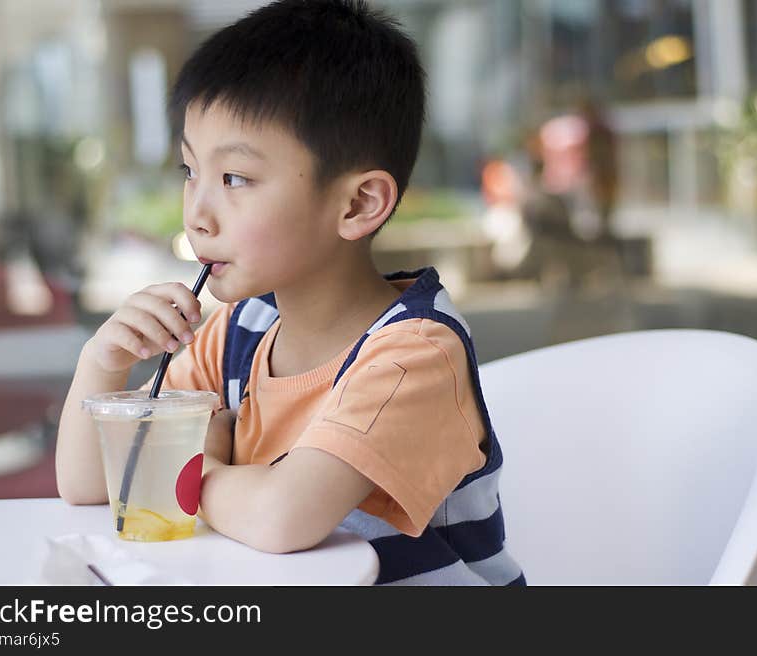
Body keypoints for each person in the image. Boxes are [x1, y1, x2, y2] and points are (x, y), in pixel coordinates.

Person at [55, 0, 525, 586]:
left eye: (235, 179)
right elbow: (92, 486)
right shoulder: (237, 334)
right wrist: (102, 362)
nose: (197, 214)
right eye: (188, 171)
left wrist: (196, 463)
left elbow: (283, 516)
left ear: (357, 204)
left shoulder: (415, 355)